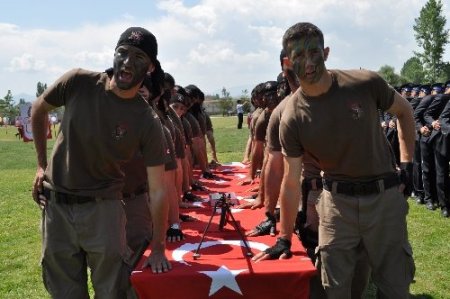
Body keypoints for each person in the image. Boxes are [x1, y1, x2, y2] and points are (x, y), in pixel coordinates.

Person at [253, 22, 415, 298]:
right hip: (336, 205)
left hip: (383, 198)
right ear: (288, 62)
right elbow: (291, 182)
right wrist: (284, 238)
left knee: (395, 288)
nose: (308, 63)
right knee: (334, 289)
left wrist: (407, 166)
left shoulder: (364, 83)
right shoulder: (291, 116)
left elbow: (404, 111)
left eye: (314, 52)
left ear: (326, 53)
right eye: (299, 56)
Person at [31, 27, 172, 299]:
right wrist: (41, 164)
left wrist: (158, 247)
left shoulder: (147, 121)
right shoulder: (78, 82)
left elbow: (158, 190)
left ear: (151, 67)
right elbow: (38, 108)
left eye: (139, 57)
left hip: (103, 209)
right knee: (64, 290)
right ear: (114, 54)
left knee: (113, 290)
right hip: (57, 206)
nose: (128, 61)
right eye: (123, 52)